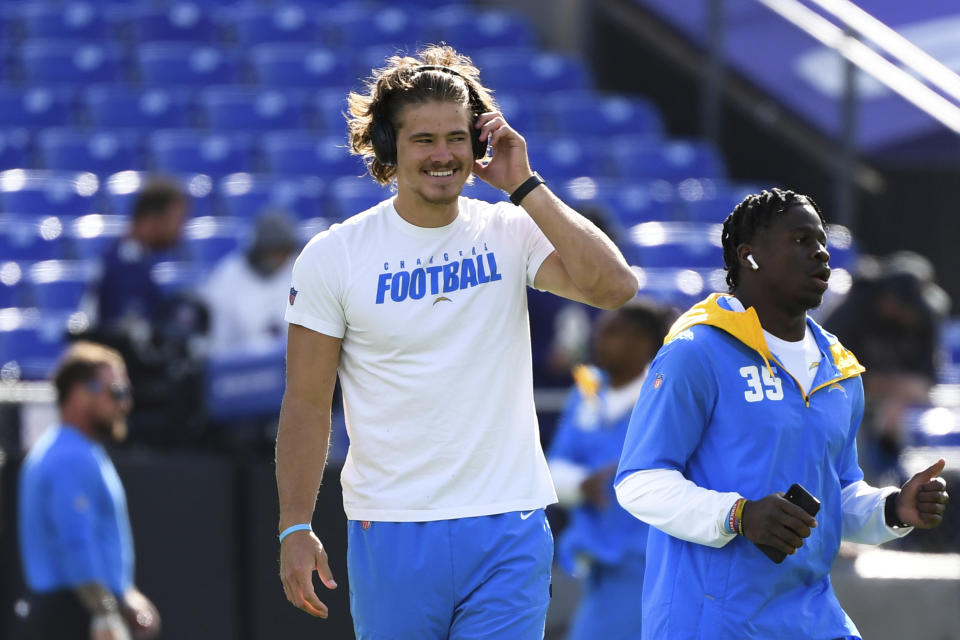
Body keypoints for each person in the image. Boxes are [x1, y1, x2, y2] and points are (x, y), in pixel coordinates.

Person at [276, 44, 638, 639]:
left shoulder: (511, 229)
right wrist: (295, 525)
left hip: (509, 521)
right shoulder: (334, 255)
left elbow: (615, 287)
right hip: (392, 524)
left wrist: (524, 184)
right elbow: (307, 403)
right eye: (423, 140)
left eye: (456, 138)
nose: (443, 155)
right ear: (390, 148)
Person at [615, 188, 950, 640]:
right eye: (800, 240)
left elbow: (838, 493)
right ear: (749, 257)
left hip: (813, 617)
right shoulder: (696, 352)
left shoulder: (840, 368)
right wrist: (739, 514)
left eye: (822, 242)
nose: (821, 253)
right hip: (711, 622)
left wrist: (892, 508)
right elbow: (638, 483)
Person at [15, 341, 160, 640]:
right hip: (73, 616)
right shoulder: (71, 456)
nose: (125, 404)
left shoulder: (79, 451)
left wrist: (125, 595)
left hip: (77, 611)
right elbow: (75, 542)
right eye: (117, 391)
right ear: (81, 393)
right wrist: (105, 612)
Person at [546, 300, 670, 640]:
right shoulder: (586, 389)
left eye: (613, 332)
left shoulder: (664, 395)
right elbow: (554, 464)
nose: (599, 339)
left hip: (651, 559)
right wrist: (582, 484)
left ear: (643, 343)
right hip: (597, 557)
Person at [204, 209, 300, 356]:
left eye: (285, 251)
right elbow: (217, 343)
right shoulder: (227, 277)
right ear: (260, 249)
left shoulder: (297, 270)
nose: (281, 258)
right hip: (241, 367)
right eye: (275, 251)